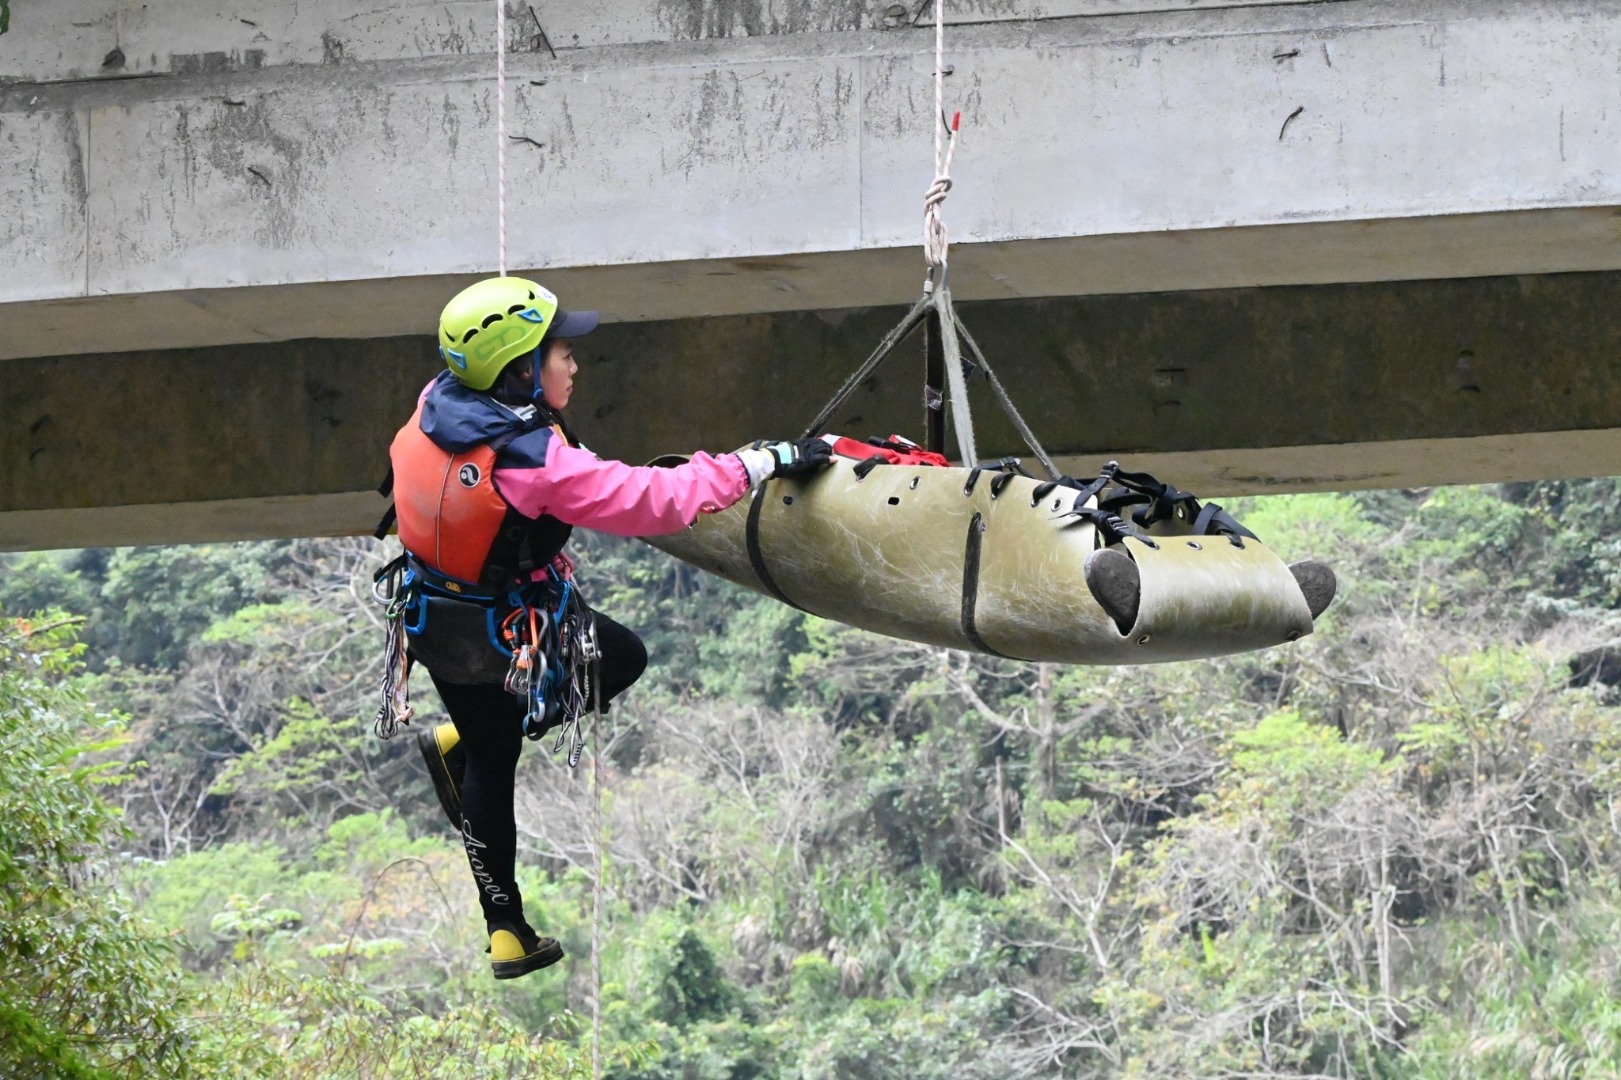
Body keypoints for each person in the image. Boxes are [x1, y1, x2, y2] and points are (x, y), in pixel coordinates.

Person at [388, 275, 830, 979]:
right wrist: (762, 461)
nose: (574, 363)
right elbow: (657, 498)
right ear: (521, 368)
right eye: (560, 352)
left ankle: (506, 932)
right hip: (505, 632)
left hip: (435, 620)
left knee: (491, 756)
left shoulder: (439, 401)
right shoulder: (531, 464)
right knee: (620, 659)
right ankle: (467, 749)